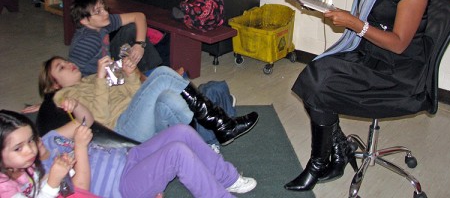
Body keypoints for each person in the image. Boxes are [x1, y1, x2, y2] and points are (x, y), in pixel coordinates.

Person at [284, 0, 432, 191]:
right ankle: (337, 151)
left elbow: (399, 42)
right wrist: (329, 10)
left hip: (396, 70)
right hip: (371, 53)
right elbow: (368, 18)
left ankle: (321, 162)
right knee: (316, 75)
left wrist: (354, 24)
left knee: (318, 80)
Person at [0, 109, 257, 198]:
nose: (33, 148)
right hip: (120, 187)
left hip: (127, 158)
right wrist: (79, 147)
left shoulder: (50, 138)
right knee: (177, 153)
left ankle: (227, 177)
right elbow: (83, 190)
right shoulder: (37, 177)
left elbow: (87, 120)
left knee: (181, 131)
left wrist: (75, 106)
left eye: (31, 139)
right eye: (20, 147)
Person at [38, 54, 259, 147]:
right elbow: (100, 119)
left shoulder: (94, 77)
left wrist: (130, 73)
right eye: (61, 68)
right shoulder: (63, 96)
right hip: (122, 130)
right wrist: (99, 79)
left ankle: (200, 143)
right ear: (55, 83)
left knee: (169, 97)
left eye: (66, 61)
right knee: (162, 73)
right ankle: (220, 124)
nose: (69, 64)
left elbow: (136, 95)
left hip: (142, 118)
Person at [0, 110, 96, 198]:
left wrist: (62, 169)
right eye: (18, 148)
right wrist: (53, 181)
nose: (30, 150)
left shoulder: (24, 164)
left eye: (31, 140)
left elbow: (37, 188)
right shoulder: (3, 188)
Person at [69, 0, 162, 76]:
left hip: (109, 59)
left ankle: (152, 72)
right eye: (98, 11)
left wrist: (140, 45)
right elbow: (74, 74)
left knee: (131, 29)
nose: (105, 13)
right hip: (100, 77)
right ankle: (150, 77)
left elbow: (139, 16)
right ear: (84, 20)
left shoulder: (100, 24)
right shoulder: (86, 42)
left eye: (104, 8)